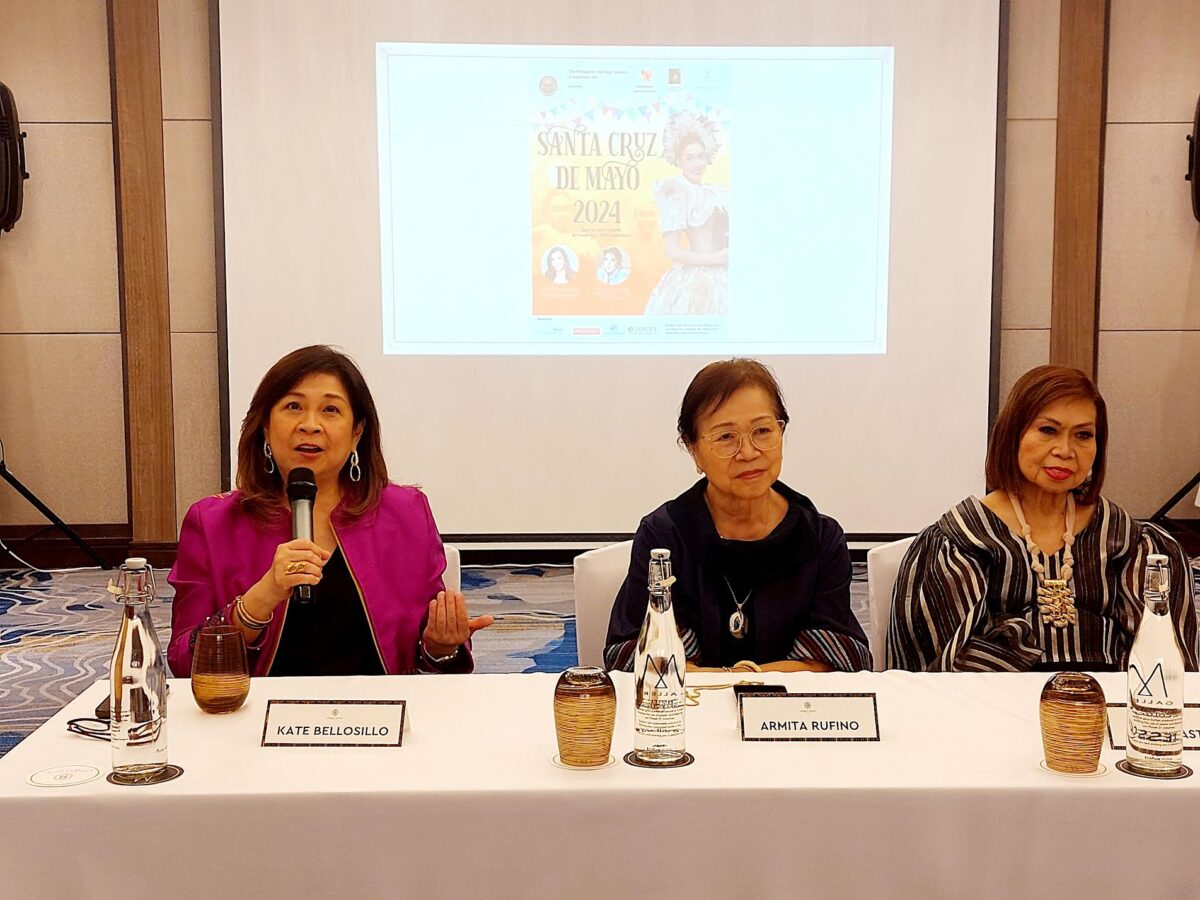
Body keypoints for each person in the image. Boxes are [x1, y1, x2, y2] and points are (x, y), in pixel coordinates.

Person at [168, 345, 492, 677]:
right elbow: (182, 663)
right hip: (257, 719)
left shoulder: (406, 514)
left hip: (377, 720)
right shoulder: (211, 523)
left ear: (357, 432)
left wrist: (440, 648)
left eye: (331, 410)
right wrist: (261, 599)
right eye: (293, 406)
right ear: (264, 426)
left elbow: (432, 662)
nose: (310, 425)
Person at [886, 365, 1198, 672]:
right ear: (1013, 434)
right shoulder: (962, 539)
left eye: (1083, 435)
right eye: (1048, 430)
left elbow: (1167, 667)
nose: (1065, 450)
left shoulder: (1130, 542)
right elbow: (943, 671)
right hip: (992, 710)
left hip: (1107, 711)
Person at [604, 359, 871, 673]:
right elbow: (644, 655)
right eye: (725, 437)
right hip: (688, 712)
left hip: (788, 714)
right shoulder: (664, 536)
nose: (748, 452)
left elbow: (832, 661)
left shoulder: (819, 538)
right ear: (693, 451)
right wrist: (737, 682)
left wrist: (738, 680)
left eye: (762, 431)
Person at [643, 111, 729, 316]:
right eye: (689, 158)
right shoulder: (676, 190)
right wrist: (716, 259)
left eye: (701, 156)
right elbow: (672, 251)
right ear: (679, 161)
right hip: (699, 279)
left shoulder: (716, 191)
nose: (697, 163)